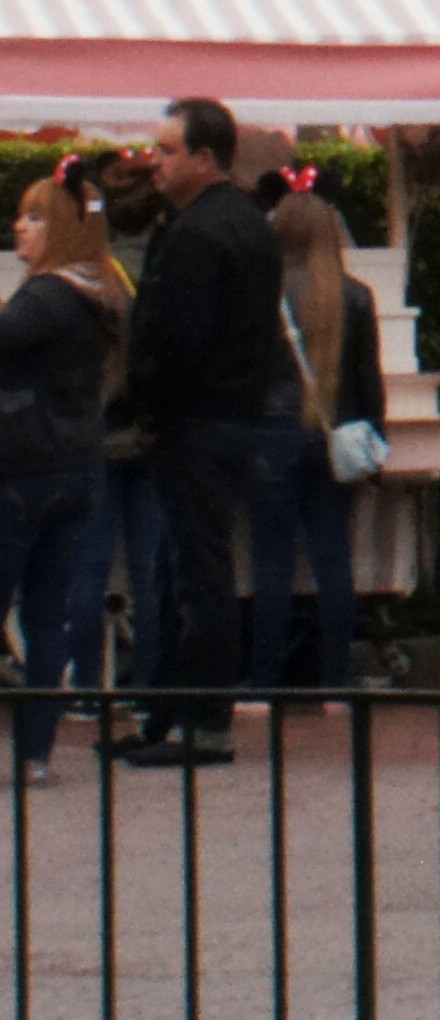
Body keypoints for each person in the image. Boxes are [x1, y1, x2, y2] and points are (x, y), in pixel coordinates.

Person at [120, 99, 301, 765]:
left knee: (196, 571)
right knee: (192, 568)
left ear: (202, 158)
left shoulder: (198, 233)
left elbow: (179, 341)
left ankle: (200, 722)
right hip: (231, 419)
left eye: (167, 151)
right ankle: (174, 715)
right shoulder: (248, 224)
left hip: (196, 421)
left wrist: (144, 403)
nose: (154, 162)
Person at [0, 173, 129, 782]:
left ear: (58, 229)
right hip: (78, 464)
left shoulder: (43, 297)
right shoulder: (98, 292)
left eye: (32, 217)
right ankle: (36, 752)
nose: (18, 227)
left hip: (21, 467)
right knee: (47, 616)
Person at [254, 184, 387, 705]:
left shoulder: (263, 295)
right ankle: (336, 681)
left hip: (273, 434)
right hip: (333, 439)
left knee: (272, 564)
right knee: (334, 559)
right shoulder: (353, 295)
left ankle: (264, 681)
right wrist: (377, 440)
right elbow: (368, 379)